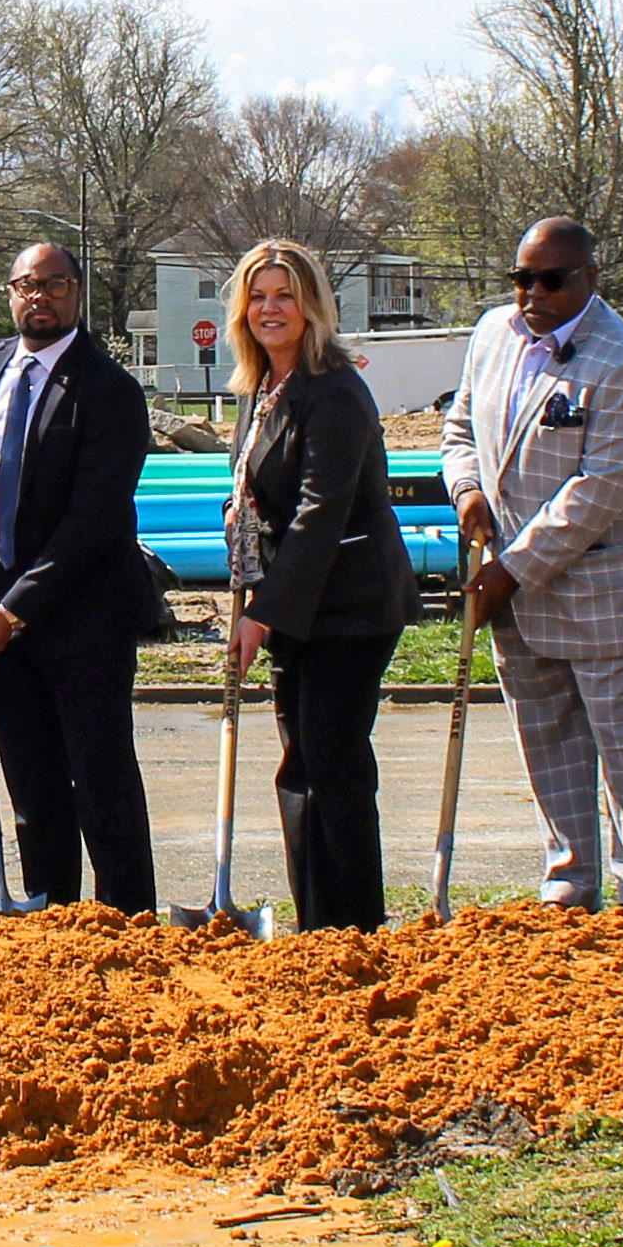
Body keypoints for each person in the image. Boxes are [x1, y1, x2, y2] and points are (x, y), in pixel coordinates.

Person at [440, 218, 623, 910]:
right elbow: (460, 428)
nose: (534, 293)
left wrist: (511, 569)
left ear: (590, 279)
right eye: (523, 278)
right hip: (518, 587)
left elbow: (598, 492)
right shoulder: (493, 335)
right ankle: (570, 882)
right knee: (547, 741)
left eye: (552, 279)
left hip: (612, 586)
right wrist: (466, 489)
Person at [0, 242, 162, 913]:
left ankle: (127, 921)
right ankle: (49, 913)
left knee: (101, 780)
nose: (41, 296)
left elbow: (92, 521)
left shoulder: (108, 390)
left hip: (84, 618)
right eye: (28, 284)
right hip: (0, 612)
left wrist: (14, 612)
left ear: (77, 292)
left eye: (55, 284)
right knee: (32, 784)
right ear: (10, 292)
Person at [220, 241, 413, 934]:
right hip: (300, 602)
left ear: (313, 306)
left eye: (285, 294)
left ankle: (354, 925)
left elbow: (320, 510)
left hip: (350, 603)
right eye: (259, 295)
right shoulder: (262, 384)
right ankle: (318, 922)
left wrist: (262, 616)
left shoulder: (332, 388)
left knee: (331, 760)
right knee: (300, 762)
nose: (271, 308)